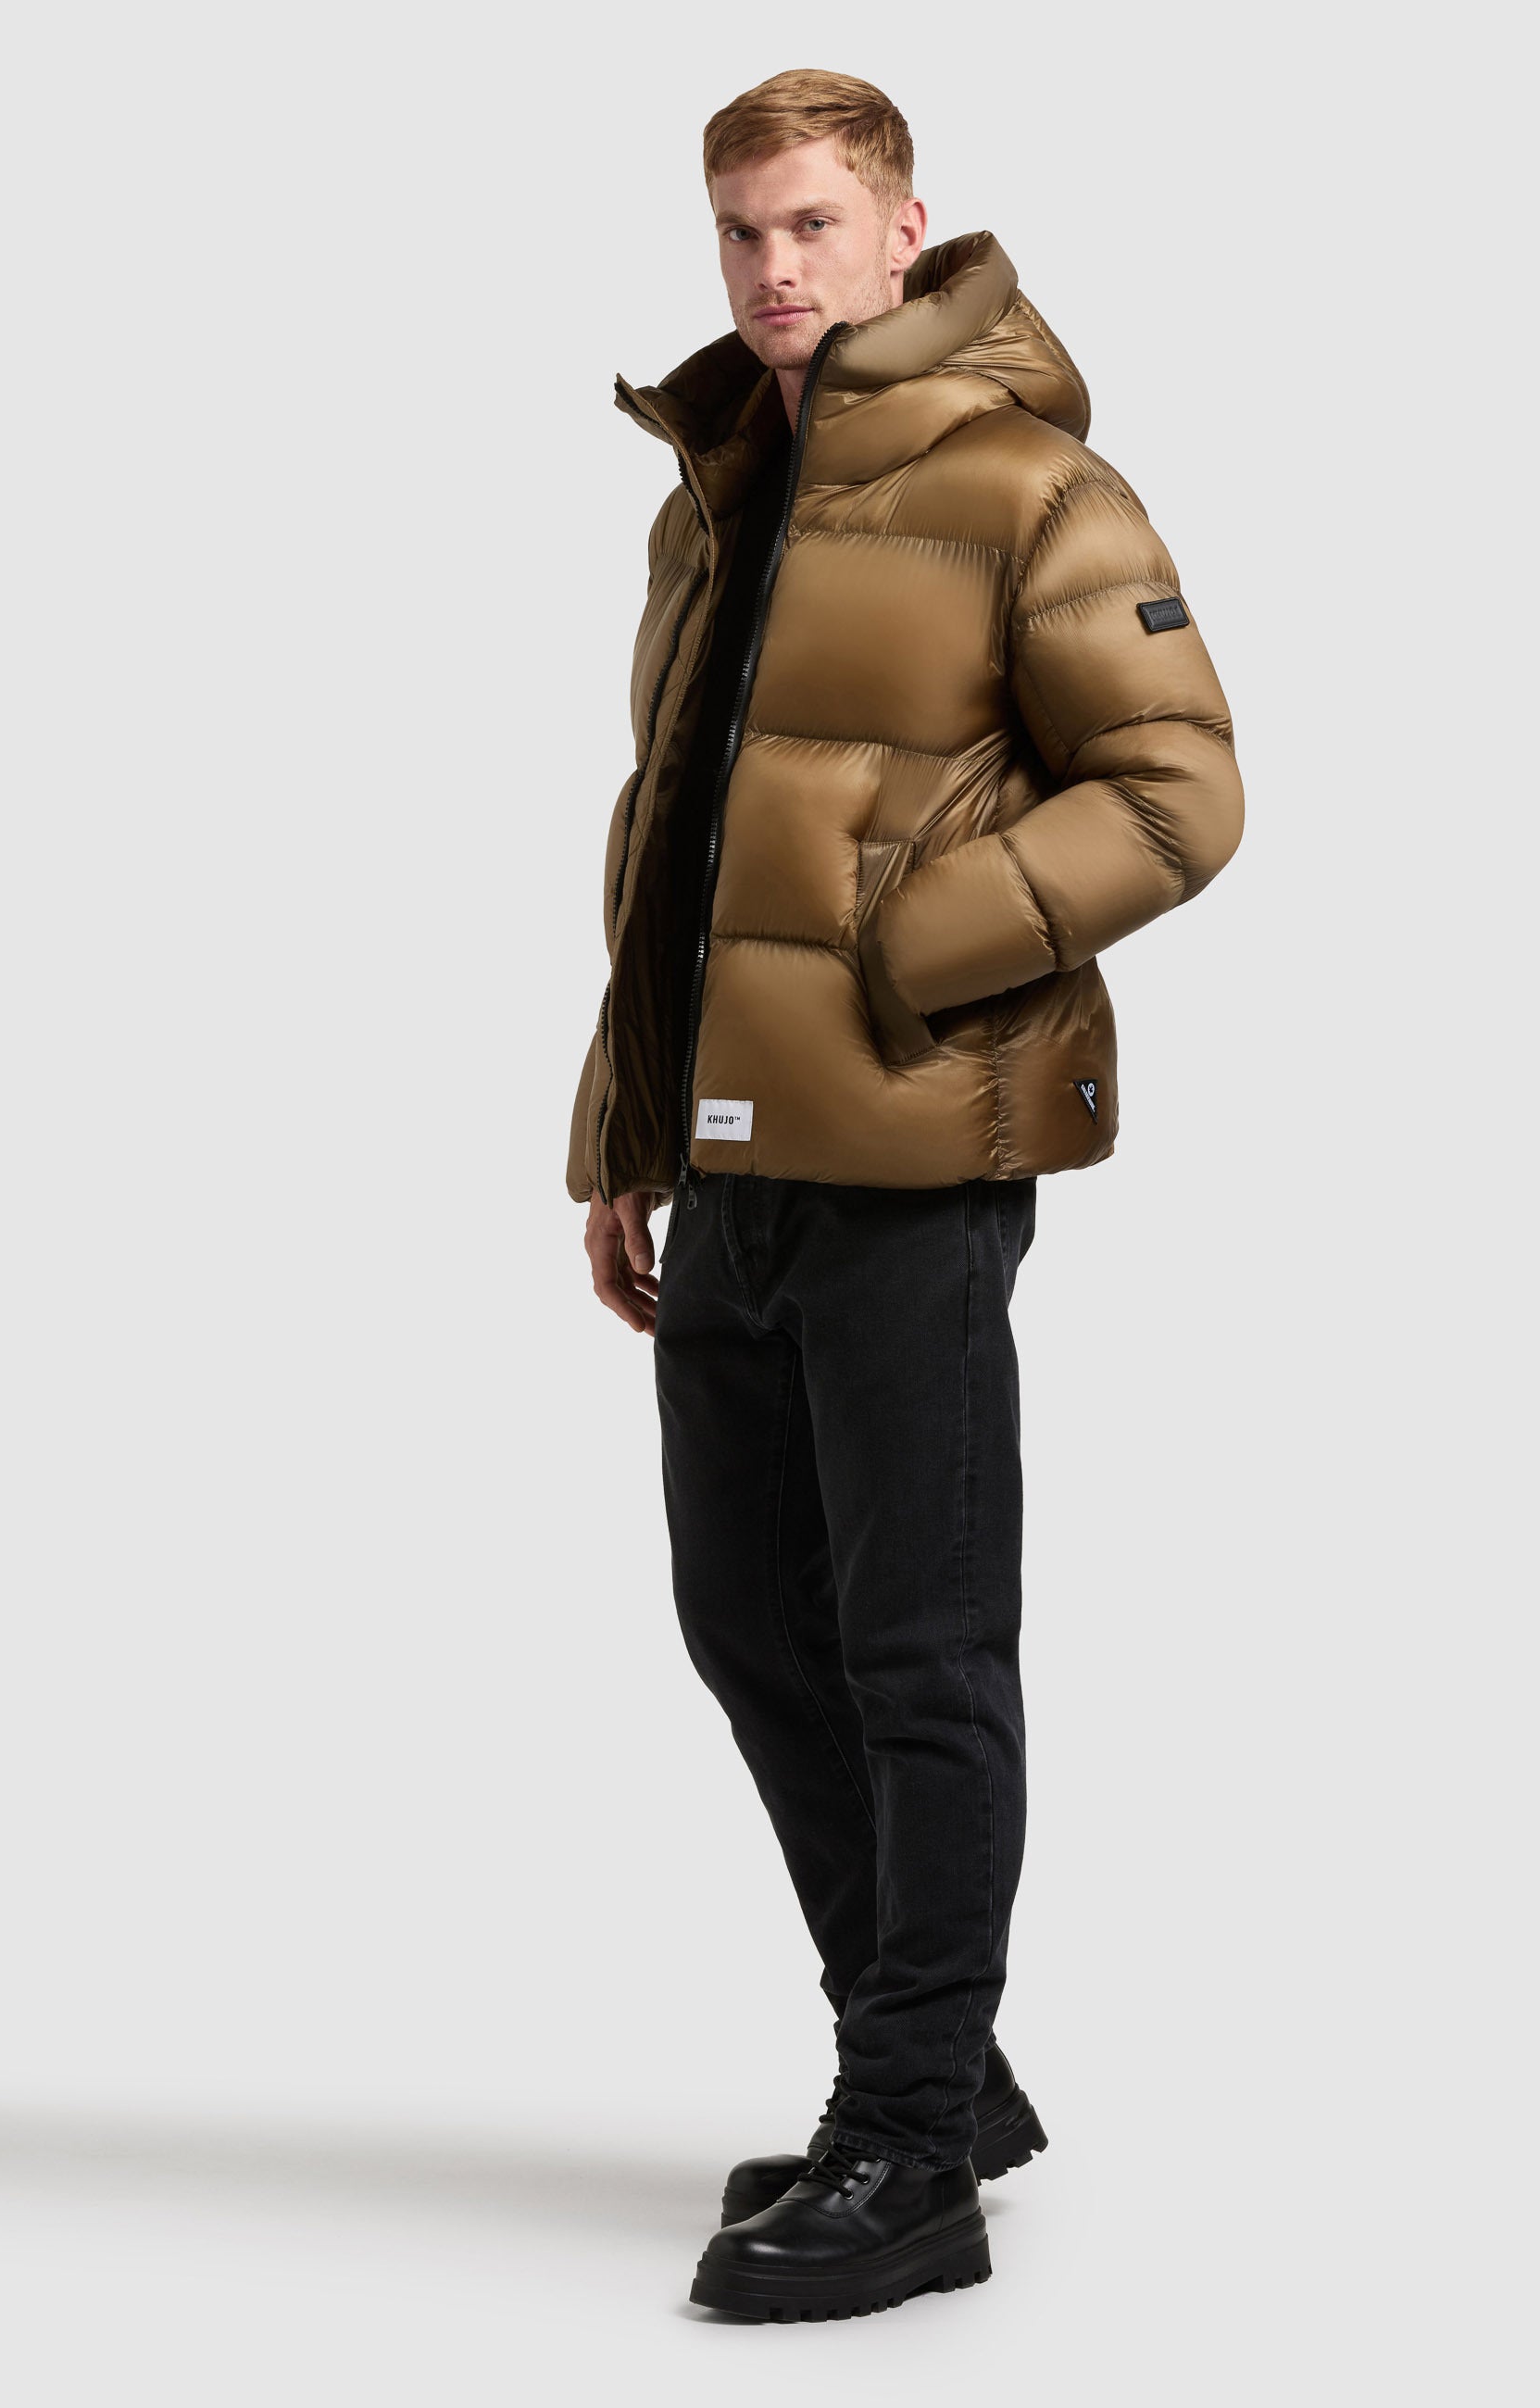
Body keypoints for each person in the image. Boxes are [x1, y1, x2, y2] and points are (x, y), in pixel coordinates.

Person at [568, 68, 1245, 2322]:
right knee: (746, 1619)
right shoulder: (720, 491)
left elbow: (1179, 789)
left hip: (913, 1156)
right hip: (730, 1152)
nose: (774, 269)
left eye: (811, 225)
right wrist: (624, 1128)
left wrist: (901, 941)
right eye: (741, 231)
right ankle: (937, 2072)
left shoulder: (1028, 485)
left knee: (918, 1648)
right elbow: (672, 841)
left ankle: (909, 2143)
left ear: (902, 224)